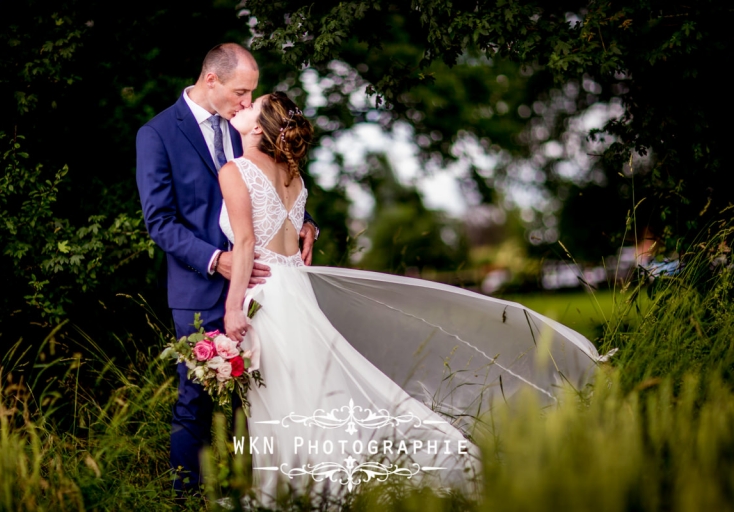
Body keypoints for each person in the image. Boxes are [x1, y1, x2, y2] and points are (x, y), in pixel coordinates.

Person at [219, 92, 603, 506]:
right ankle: (321, 488)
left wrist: (232, 308)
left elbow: (244, 244)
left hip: (270, 297)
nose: (243, 106)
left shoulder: (235, 171)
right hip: (297, 290)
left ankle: (297, 493)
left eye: (251, 105)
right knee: (312, 390)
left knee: (282, 396)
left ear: (259, 127)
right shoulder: (293, 176)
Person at [135, 43, 318, 495]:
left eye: (250, 95)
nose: (245, 102)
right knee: (193, 404)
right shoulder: (157, 134)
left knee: (252, 403)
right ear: (211, 80)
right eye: (241, 91)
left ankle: (243, 490)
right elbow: (159, 221)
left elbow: (277, 184)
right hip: (198, 288)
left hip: (262, 290)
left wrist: (306, 223)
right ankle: (186, 498)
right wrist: (215, 259)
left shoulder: (247, 129)